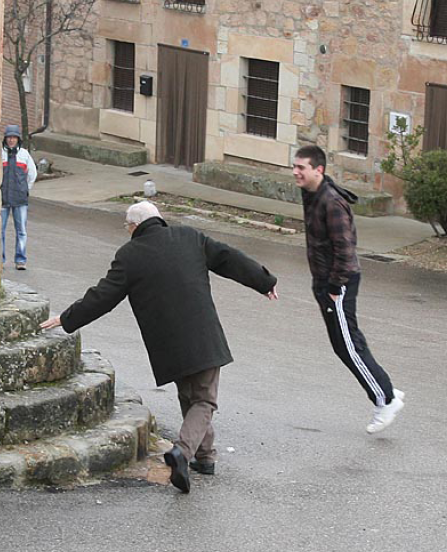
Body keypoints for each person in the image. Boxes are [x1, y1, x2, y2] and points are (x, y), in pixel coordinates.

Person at [40, 202, 277, 493]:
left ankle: (205, 457)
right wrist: (264, 281)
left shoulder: (130, 255)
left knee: (191, 396)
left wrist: (67, 318)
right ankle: (183, 452)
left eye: (126, 227)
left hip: (167, 344)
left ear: (134, 226)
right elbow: (230, 259)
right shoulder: (190, 237)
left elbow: (103, 296)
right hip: (202, 334)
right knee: (204, 400)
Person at [292, 145, 404, 434]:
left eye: (301, 167)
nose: (295, 172)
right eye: (294, 166)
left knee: (348, 347)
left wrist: (333, 286)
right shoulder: (312, 193)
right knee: (346, 343)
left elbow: (345, 248)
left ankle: (386, 399)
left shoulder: (331, 202)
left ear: (319, 170)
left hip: (336, 283)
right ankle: (385, 387)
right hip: (326, 282)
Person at [0, 125, 37, 270]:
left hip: (20, 200)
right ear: (5, 139)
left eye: (14, 138)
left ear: (18, 139)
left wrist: (25, 190)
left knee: (21, 230)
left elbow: (32, 175)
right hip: (3, 199)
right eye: (9, 137)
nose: (11, 140)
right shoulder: (0, 154)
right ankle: (0, 260)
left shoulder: (24, 155)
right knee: (0, 231)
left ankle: (20, 259)